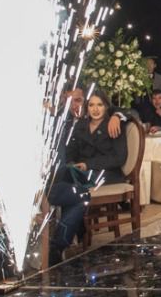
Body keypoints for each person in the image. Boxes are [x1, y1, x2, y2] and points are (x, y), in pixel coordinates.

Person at [46, 91, 129, 266]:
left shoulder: (113, 123)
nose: (95, 109)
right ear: (87, 107)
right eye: (91, 105)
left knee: (72, 189)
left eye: (99, 105)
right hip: (81, 174)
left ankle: (59, 236)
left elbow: (118, 158)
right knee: (69, 181)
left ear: (106, 107)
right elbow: (71, 152)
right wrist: (73, 164)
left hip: (105, 174)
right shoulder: (81, 126)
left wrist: (88, 164)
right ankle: (59, 244)